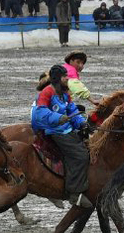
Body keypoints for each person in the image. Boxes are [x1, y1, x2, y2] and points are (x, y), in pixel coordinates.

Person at [31, 64, 92, 208]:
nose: (67, 79)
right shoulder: (47, 93)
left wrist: (82, 123)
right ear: (58, 78)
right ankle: (74, 193)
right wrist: (57, 118)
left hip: (67, 129)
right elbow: (40, 113)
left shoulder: (65, 94)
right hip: (54, 132)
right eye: (65, 77)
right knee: (80, 155)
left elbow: (72, 111)